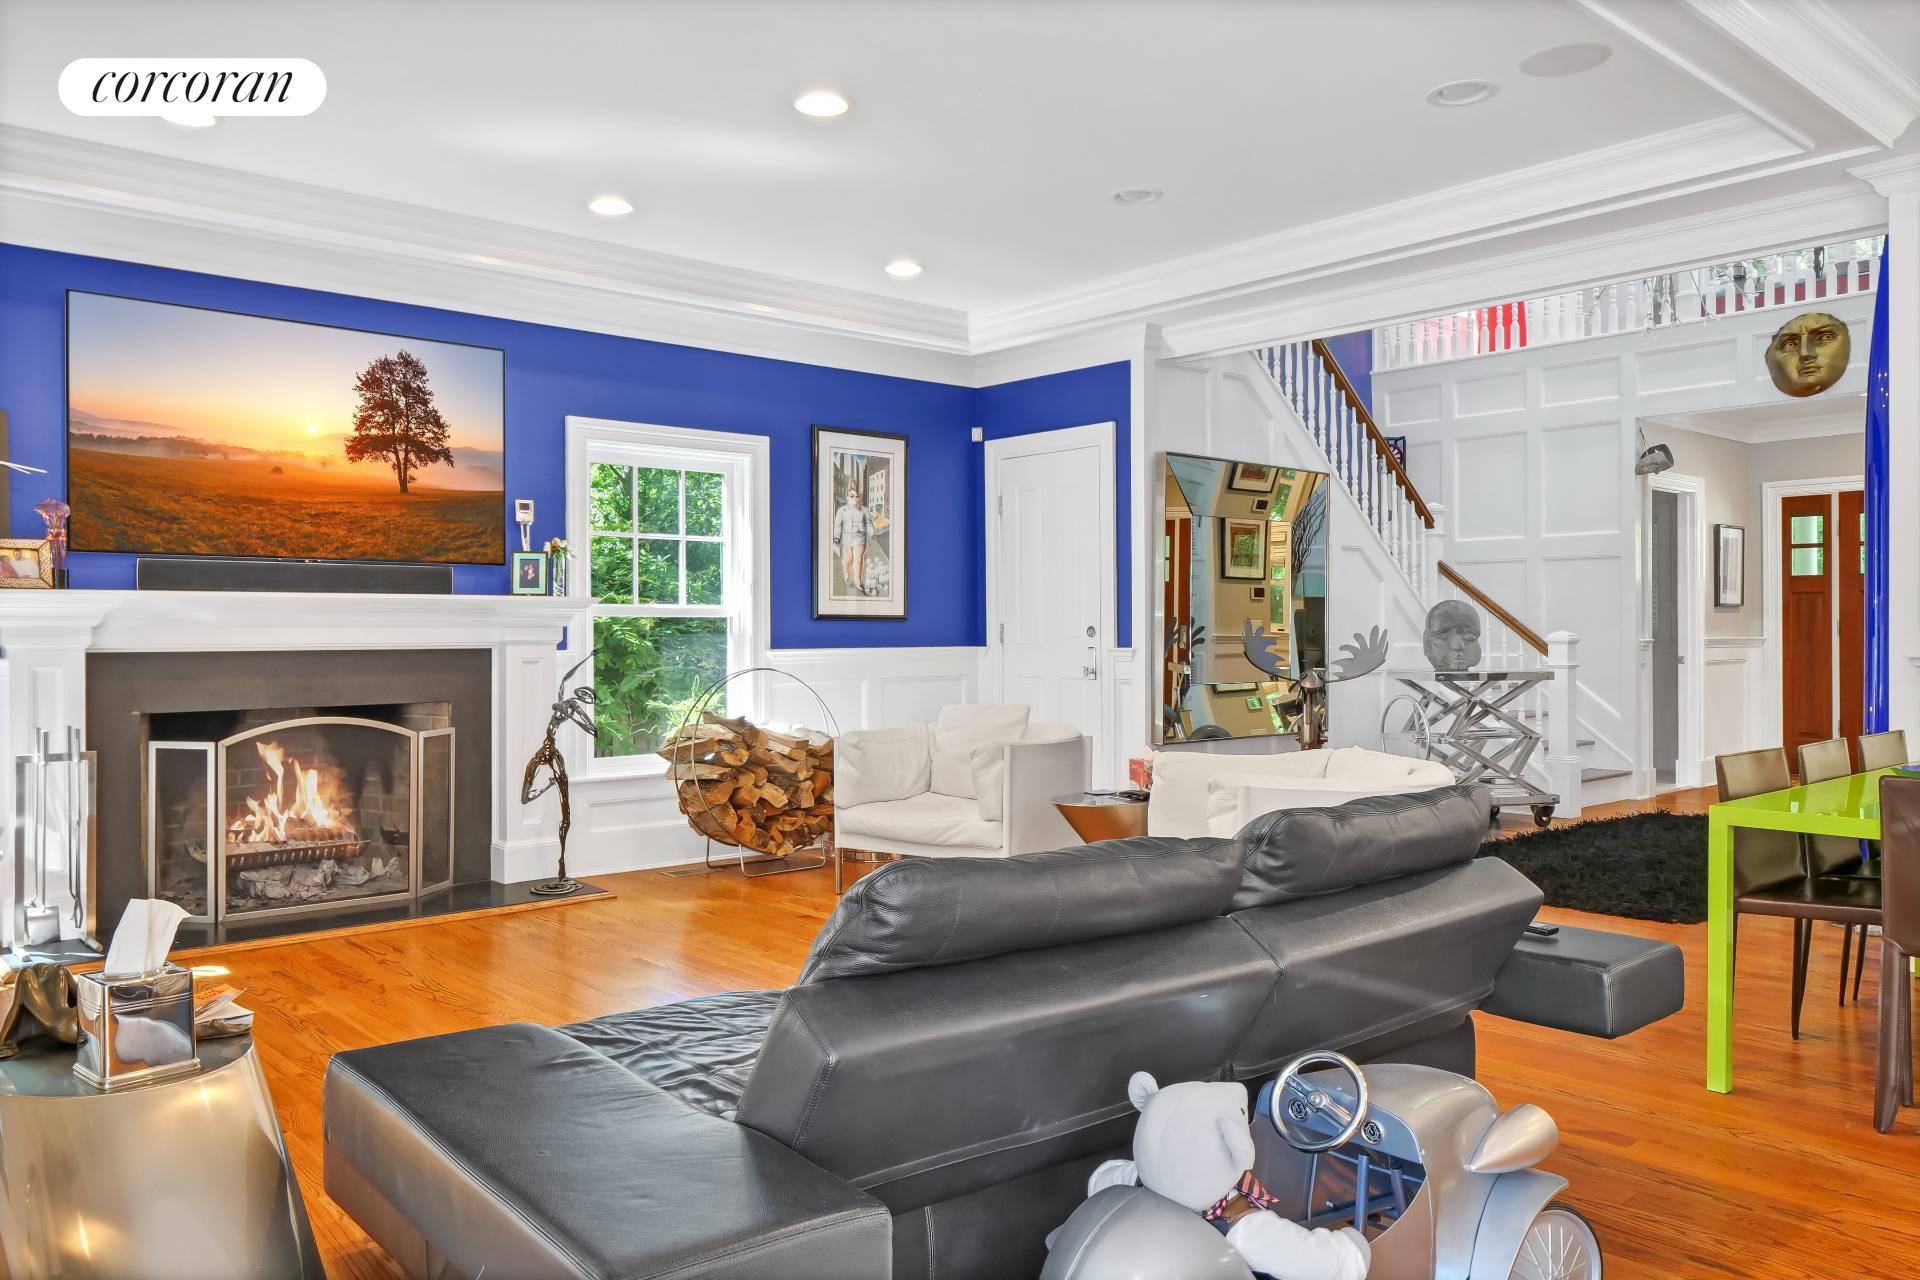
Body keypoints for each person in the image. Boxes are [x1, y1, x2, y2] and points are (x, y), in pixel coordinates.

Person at [831, 482, 878, 597]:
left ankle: (858, 581)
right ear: (847, 497)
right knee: (847, 559)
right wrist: (836, 537)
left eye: (857, 496)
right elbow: (838, 525)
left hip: (860, 536)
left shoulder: (864, 510)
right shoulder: (842, 511)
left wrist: (872, 533)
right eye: (851, 496)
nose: (854, 499)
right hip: (846, 537)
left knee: (858, 559)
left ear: (859, 497)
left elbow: (869, 523)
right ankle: (846, 572)